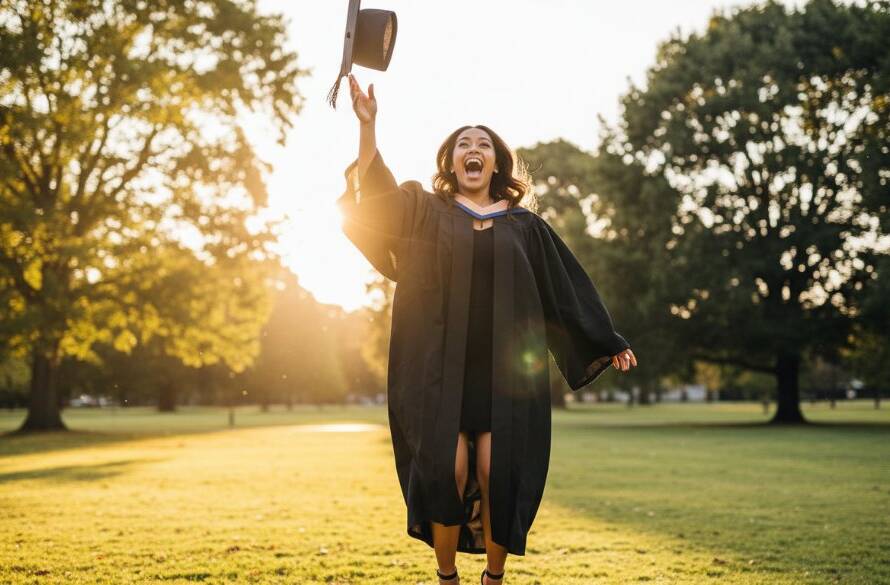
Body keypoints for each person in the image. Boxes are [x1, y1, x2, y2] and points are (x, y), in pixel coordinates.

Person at [340, 73, 638, 585]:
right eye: (463, 144)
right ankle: (448, 575)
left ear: (497, 163)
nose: (472, 150)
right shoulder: (424, 210)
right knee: (446, 471)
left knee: (497, 472)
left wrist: (603, 340)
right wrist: (368, 127)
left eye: (483, 144)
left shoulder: (525, 226)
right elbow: (379, 201)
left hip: (505, 378)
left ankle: (494, 579)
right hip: (437, 371)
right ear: (450, 162)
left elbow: (562, 290)